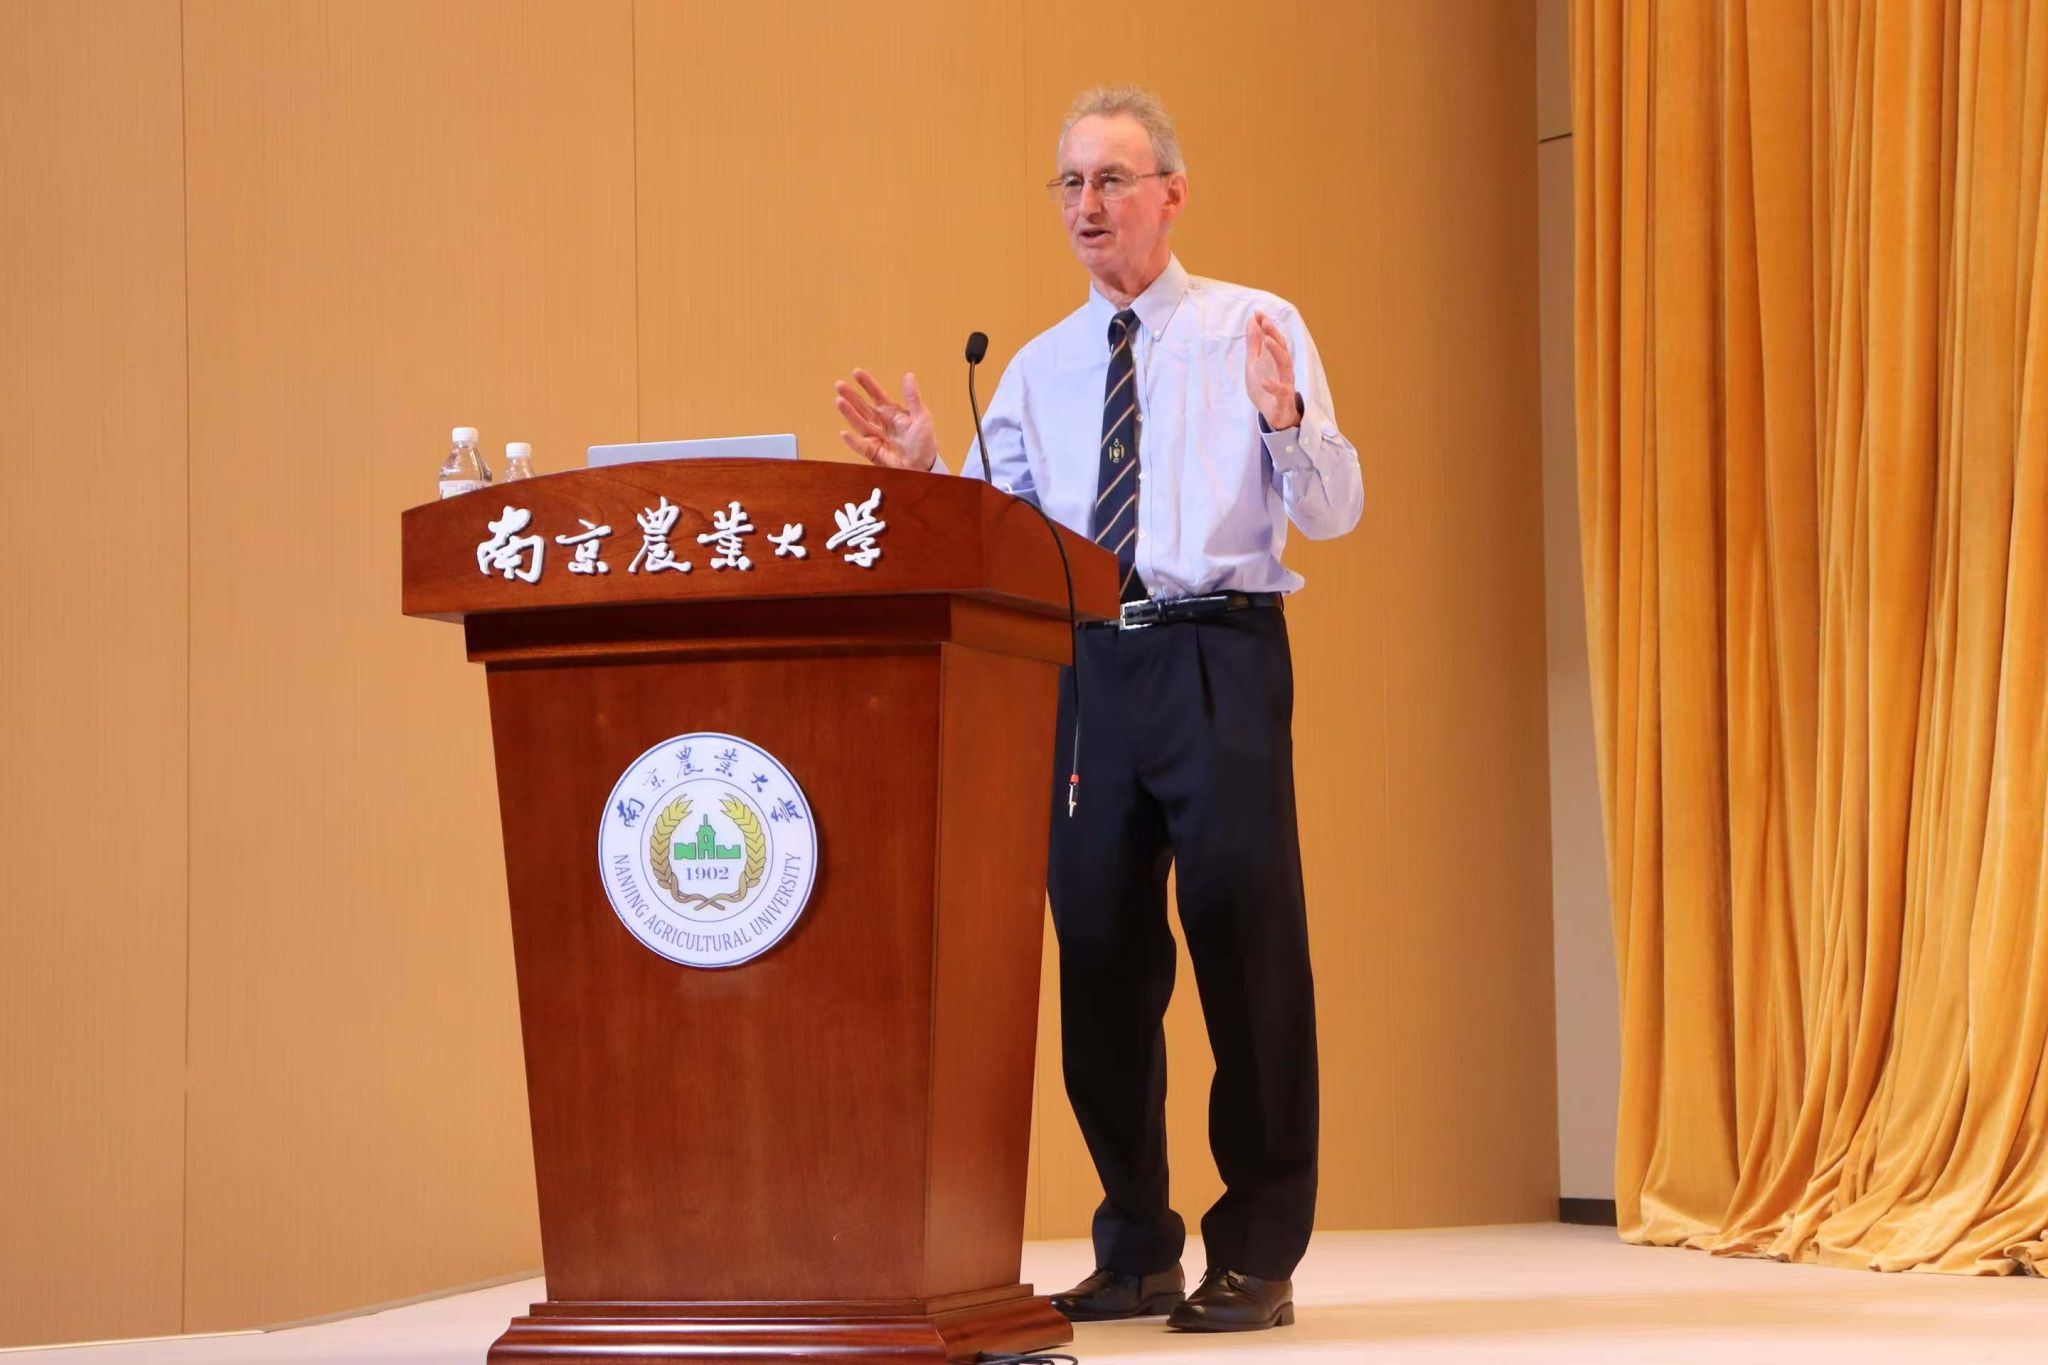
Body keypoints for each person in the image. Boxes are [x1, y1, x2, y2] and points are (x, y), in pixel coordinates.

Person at [832, 86, 1362, 1334]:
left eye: (1112, 180)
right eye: (1070, 183)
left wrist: (1283, 418)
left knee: (1244, 945)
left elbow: (1333, 512)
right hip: (1081, 671)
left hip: (1217, 655)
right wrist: (929, 474)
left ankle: (1258, 1252)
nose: (1087, 204)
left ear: (1171, 196)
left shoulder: (1252, 326)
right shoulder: (1035, 368)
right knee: (1100, 957)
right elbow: (996, 539)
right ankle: (1134, 1246)